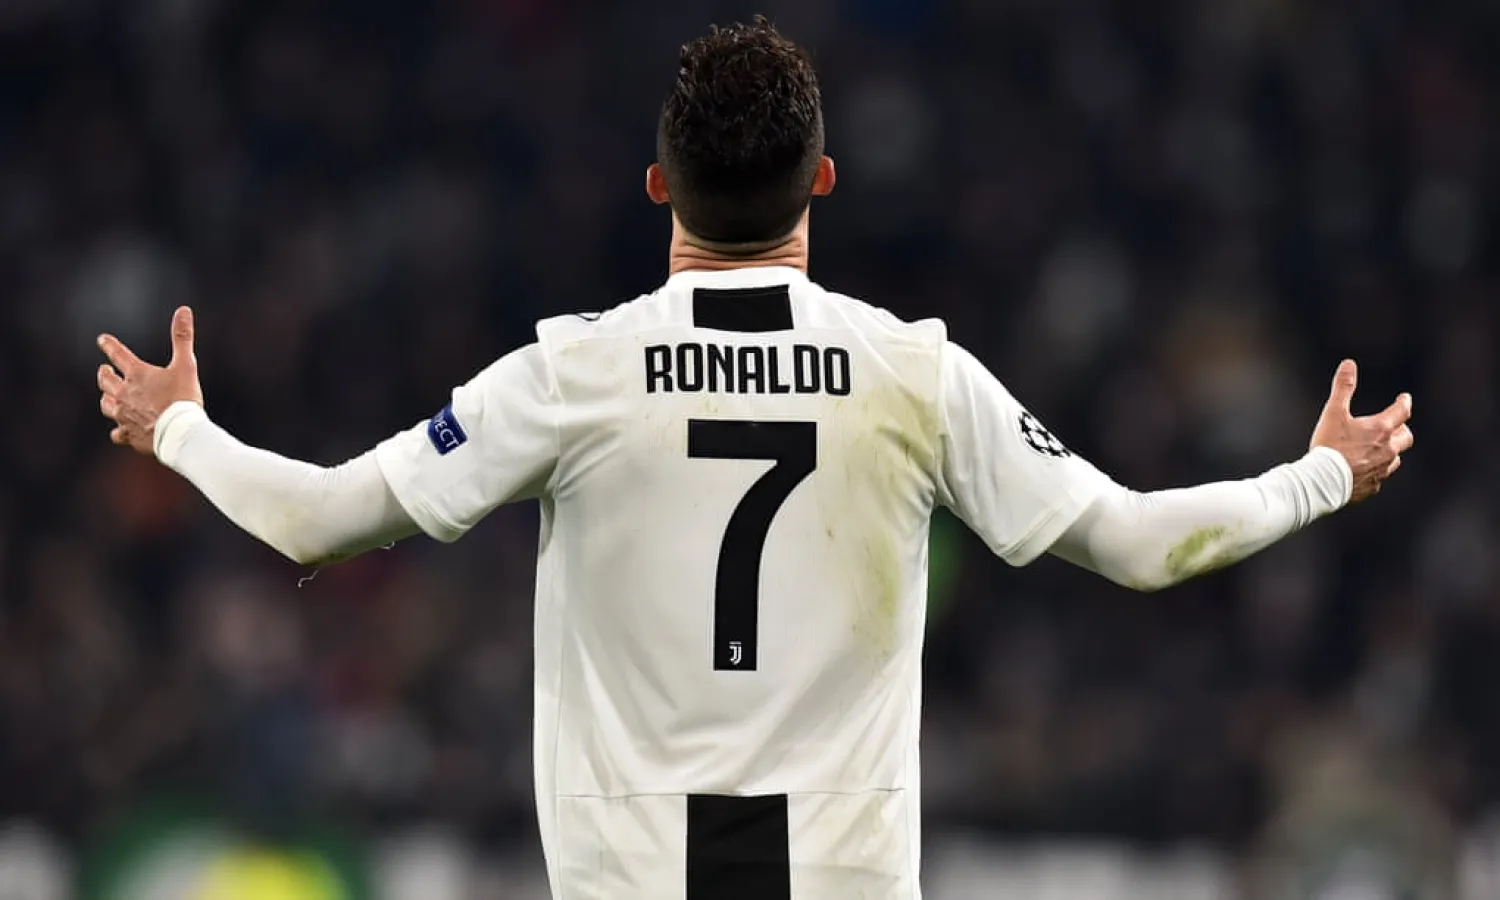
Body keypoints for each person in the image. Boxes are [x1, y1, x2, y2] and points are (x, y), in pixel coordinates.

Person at [94, 17, 1414, 900]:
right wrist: (1321, 475)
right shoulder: (913, 373)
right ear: (825, 182)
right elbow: (1137, 541)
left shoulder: (578, 371)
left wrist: (180, 430)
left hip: (629, 872)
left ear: (658, 185)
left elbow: (319, 521)